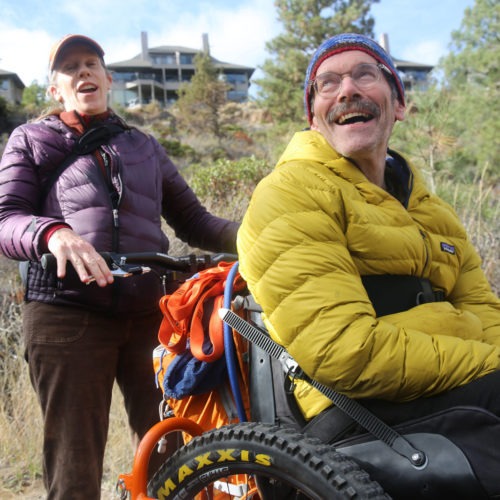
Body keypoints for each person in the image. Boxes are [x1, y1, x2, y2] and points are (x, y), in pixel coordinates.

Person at [0, 34, 239, 499]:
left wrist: (260, 235)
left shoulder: (144, 146)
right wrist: (54, 233)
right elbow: (6, 218)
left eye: (91, 64)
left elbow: (194, 221)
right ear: (55, 89)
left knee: (172, 448)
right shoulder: (31, 138)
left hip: (151, 313)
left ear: (109, 79)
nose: (83, 72)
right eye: (70, 68)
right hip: (65, 312)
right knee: (74, 463)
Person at [237, 33, 500, 426]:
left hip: (455, 384)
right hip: (353, 409)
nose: (346, 91)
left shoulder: (433, 210)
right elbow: (344, 352)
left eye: (365, 74)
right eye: (327, 83)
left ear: (399, 105)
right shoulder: (291, 193)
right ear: (312, 117)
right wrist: (490, 365)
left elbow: (484, 312)